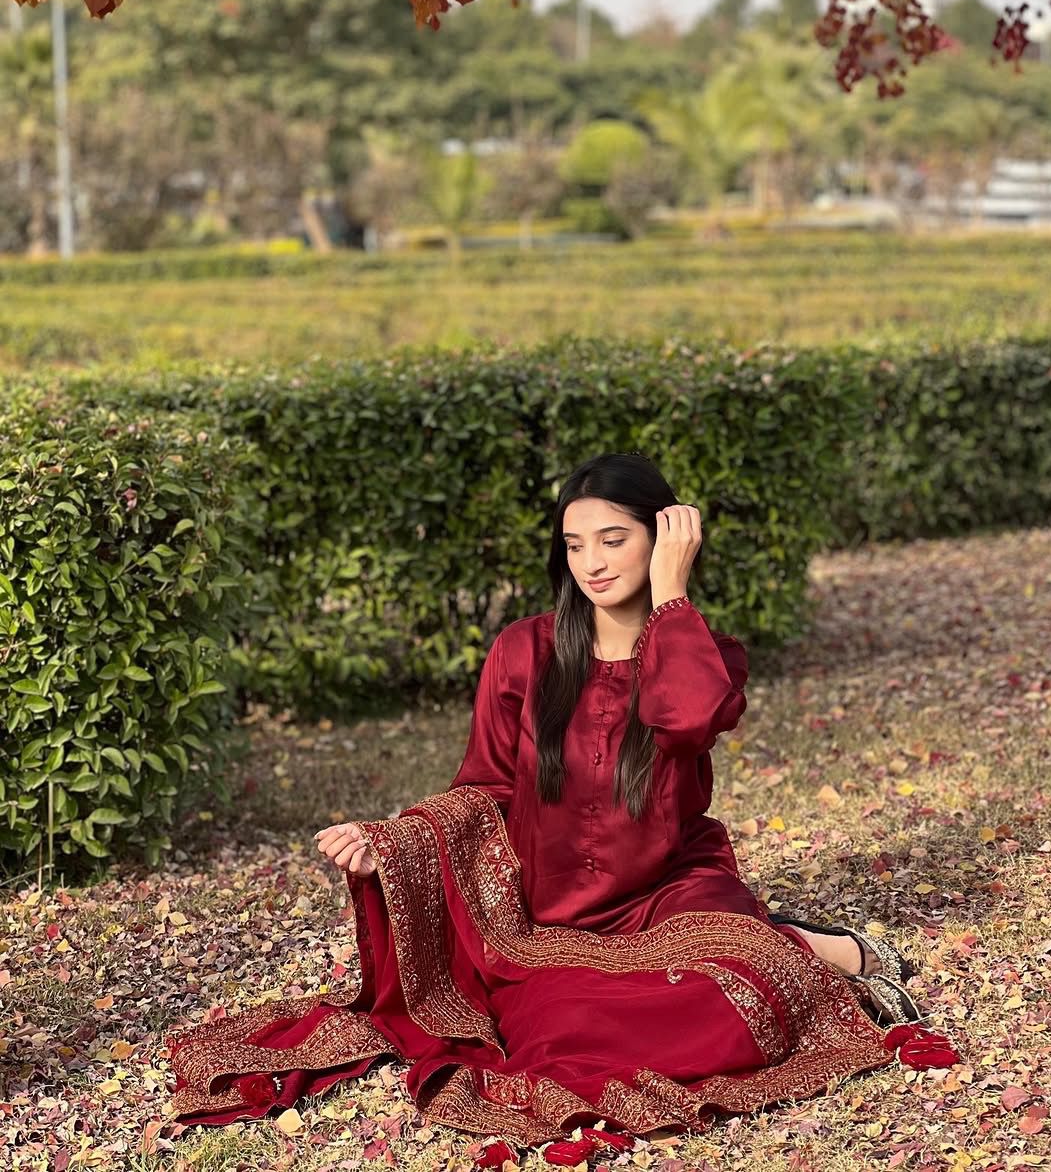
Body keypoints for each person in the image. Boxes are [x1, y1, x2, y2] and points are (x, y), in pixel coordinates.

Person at [165, 453, 956, 1150]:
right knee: (564, 1035)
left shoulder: (706, 653)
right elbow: (484, 787)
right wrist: (397, 841)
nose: (592, 563)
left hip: (672, 891)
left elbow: (687, 719)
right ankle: (796, 946)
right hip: (549, 922)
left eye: (613, 539)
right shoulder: (525, 651)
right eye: (575, 545)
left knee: (722, 1000)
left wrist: (671, 595)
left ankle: (810, 950)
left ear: (661, 536)